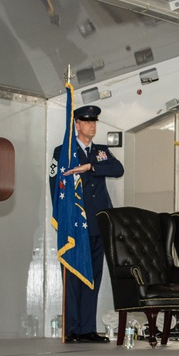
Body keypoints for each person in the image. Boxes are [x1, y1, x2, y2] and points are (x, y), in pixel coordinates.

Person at [49, 104, 124, 343]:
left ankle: (87, 328)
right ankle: (72, 328)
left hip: (98, 222)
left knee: (93, 276)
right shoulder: (64, 150)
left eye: (94, 122)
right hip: (75, 224)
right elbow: (55, 186)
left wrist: (90, 167)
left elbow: (118, 169)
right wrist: (65, 218)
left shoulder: (100, 152)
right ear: (77, 125)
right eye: (87, 122)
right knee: (73, 274)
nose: (92, 125)